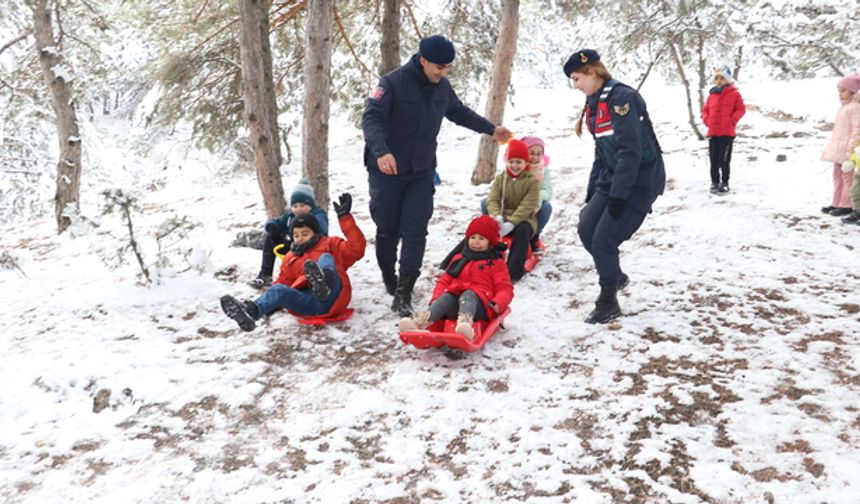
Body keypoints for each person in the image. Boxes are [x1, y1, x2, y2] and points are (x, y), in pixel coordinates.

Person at [362, 34, 513, 317]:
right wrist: (381, 152)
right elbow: (371, 119)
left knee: (415, 230)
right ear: (423, 60)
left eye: (447, 68)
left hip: (421, 171)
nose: (443, 73)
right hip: (387, 171)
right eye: (439, 67)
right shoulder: (391, 83)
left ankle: (404, 289)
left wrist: (491, 129)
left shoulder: (442, 87)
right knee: (388, 230)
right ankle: (388, 274)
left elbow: (458, 112)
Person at [564, 49, 666, 324]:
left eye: (576, 79)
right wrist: (593, 191)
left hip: (639, 180)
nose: (575, 86)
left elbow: (630, 152)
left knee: (604, 238)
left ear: (592, 73)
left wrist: (618, 196)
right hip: (613, 177)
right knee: (586, 228)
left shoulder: (622, 98)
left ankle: (608, 301)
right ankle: (616, 275)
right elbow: (602, 151)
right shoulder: (595, 101)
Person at [221, 194, 365, 332]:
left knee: (325, 258)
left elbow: (356, 249)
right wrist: (269, 302)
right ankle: (251, 312)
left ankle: (324, 283)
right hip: (310, 304)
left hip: (333, 297)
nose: (300, 238)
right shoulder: (291, 257)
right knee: (278, 290)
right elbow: (282, 283)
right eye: (296, 235)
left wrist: (345, 219)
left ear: (315, 232)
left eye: (305, 234)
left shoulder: (330, 244)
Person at [399, 215, 513, 340]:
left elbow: (505, 287)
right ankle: (420, 321)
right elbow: (444, 281)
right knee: (447, 295)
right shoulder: (459, 258)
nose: (476, 242)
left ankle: (465, 325)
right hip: (455, 307)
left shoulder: (496, 263)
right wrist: (437, 298)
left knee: (468, 294)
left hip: (481, 308)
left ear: (490, 243)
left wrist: (498, 302)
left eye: (481, 239)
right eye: (473, 237)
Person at [248, 178, 329, 288]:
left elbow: (321, 229)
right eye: (295, 206)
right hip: (292, 247)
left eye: (302, 205)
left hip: (311, 250)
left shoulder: (318, 215)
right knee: (268, 236)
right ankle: (265, 274)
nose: (298, 209)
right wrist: (273, 228)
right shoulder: (290, 216)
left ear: (311, 205)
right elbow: (273, 221)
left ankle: (312, 277)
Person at [486, 139, 541, 282]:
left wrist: (511, 223)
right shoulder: (500, 179)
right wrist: (495, 216)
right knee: (481, 226)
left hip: (525, 219)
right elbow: (492, 199)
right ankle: (456, 262)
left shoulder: (532, 182)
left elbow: (527, 206)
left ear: (525, 163)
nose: (514, 166)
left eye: (519, 162)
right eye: (511, 162)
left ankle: (513, 272)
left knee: (522, 231)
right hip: (502, 216)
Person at [701, 66, 746, 194]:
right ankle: (714, 182)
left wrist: (732, 120)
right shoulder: (712, 95)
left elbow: (741, 109)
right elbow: (705, 110)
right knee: (713, 159)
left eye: (722, 78)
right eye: (717, 78)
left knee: (724, 159)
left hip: (727, 133)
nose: (719, 81)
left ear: (728, 79)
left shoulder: (735, 94)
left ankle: (724, 182)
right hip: (713, 133)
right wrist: (707, 120)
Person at [820, 74, 860, 217]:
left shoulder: (855, 107)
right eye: (839, 90)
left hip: (847, 149)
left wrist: (851, 149)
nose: (840, 94)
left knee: (847, 177)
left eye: (843, 90)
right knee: (837, 175)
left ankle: (847, 205)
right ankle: (836, 202)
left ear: (852, 91)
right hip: (838, 147)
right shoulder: (844, 106)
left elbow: (857, 129)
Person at [520, 135, 554, 252]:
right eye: (531, 153)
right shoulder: (515, 165)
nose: (535, 157)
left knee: (546, 207)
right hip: (515, 202)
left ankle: (534, 237)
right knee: (485, 202)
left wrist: (537, 197)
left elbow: (547, 190)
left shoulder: (543, 169)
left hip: (534, 205)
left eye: (539, 153)